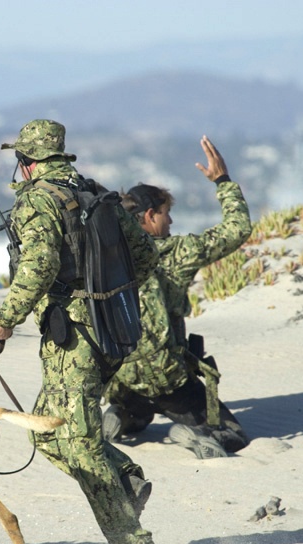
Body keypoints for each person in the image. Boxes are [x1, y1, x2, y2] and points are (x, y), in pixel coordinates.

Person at [0, 119, 158, 544]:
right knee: (46, 431)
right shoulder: (95, 194)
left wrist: (4, 319)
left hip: (74, 338)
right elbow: (145, 255)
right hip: (112, 326)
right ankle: (126, 478)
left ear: (27, 161)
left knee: (78, 442)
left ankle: (131, 542)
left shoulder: (39, 201)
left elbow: (38, 267)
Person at [102, 136, 253, 458]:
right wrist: (223, 181)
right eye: (166, 213)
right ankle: (197, 434)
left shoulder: (107, 257)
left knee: (140, 409)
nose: (170, 221)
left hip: (123, 377)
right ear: (149, 215)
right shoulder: (177, 251)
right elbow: (237, 229)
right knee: (236, 435)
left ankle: (123, 415)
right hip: (169, 380)